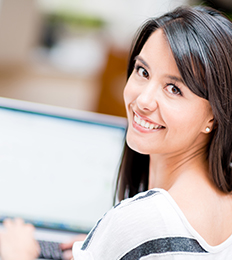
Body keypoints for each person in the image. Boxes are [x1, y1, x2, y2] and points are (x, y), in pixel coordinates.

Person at [1, 4, 232, 260]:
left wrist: (18, 255)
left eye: (174, 89)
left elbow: (144, 232)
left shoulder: (141, 223)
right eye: (142, 71)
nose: (143, 100)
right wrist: (104, 246)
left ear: (215, 113)